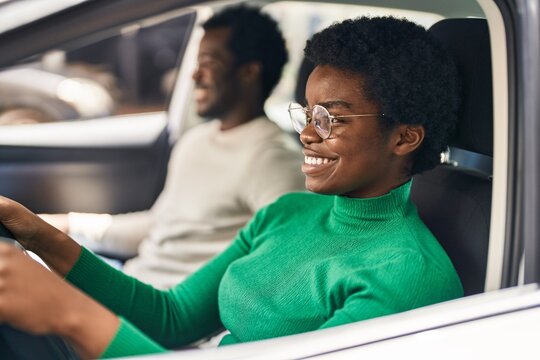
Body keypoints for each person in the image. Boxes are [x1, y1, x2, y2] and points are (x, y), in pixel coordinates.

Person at [0, 16, 463, 359]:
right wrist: (34, 231)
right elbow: (172, 318)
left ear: (405, 138)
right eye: (307, 113)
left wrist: (71, 315)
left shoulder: (405, 278)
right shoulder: (286, 214)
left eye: (330, 119)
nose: (305, 135)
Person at [40, 5, 305, 289]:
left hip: (161, 307)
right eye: (197, 63)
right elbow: (160, 225)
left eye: (209, 63)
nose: (195, 76)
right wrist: (69, 225)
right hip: (130, 277)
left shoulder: (273, 159)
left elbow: (279, 260)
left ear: (249, 72)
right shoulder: (196, 140)